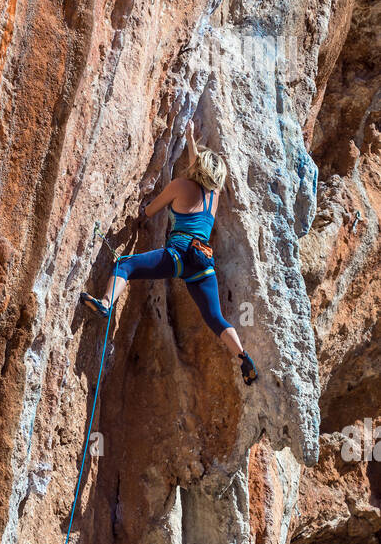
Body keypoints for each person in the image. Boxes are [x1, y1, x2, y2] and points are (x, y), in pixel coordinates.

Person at [81, 122, 258, 385]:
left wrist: (140, 212)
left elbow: (150, 211)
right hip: (202, 263)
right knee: (215, 317)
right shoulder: (215, 195)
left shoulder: (179, 186)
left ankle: (105, 304)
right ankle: (244, 359)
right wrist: (189, 139)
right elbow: (201, 168)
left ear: (198, 169)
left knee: (125, 266)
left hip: (178, 254)